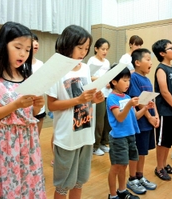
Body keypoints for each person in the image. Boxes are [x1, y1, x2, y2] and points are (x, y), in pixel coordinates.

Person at [0, 22, 47, 198]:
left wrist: (37, 105)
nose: (23, 54)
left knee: (28, 187)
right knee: (8, 188)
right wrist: (15, 105)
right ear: (3, 45)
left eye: (27, 49)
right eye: (18, 47)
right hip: (5, 144)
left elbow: (29, 115)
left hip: (29, 141)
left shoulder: (27, 77)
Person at [46, 24, 104, 199]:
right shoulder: (55, 69)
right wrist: (78, 100)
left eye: (86, 48)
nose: (83, 52)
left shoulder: (85, 68)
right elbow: (52, 105)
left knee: (79, 181)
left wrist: (95, 99)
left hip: (85, 133)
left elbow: (86, 97)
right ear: (67, 44)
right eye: (80, 48)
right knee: (63, 184)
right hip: (66, 136)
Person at [106, 64, 154, 199]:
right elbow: (120, 118)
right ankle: (113, 195)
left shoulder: (127, 97)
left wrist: (145, 109)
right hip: (118, 138)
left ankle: (122, 191)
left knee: (124, 165)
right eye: (124, 80)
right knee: (116, 167)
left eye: (128, 80)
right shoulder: (112, 98)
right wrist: (128, 105)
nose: (128, 83)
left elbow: (135, 117)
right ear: (114, 82)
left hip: (130, 136)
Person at [126, 48, 159, 194]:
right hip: (140, 121)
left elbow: (151, 99)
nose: (151, 62)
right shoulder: (134, 78)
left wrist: (156, 115)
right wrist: (149, 117)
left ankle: (140, 176)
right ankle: (132, 178)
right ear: (137, 62)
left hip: (149, 121)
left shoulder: (147, 79)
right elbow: (138, 101)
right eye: (147, 59)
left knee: (143, 151)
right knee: (136, 151)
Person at [152, 39, 172, 181]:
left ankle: (164, 165)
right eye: (171, 48)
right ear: (162, 53)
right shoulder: (161, 69)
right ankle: (159, 168)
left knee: (170, 141)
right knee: (163, 141)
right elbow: (164, 92)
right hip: (166, 111)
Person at [87, 38, 111, 156]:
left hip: (107, 92)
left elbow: (108, 76)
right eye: (103, 49)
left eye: (107, 49)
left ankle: (103, 142)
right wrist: (102, 79)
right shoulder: (92, 60)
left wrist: (109, 81)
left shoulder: (106, 62)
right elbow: (88, 77)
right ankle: (95, 146)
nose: (105, 51)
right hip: (97, 93)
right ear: (96, 49)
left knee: (107, 120)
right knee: (99, 121)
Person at [32, 33, 46, 135]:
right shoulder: (21, 64)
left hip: (40, 105)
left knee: (37, 138)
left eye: (37, 41)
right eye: (32, 41)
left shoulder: (41, 64)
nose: (36, 43)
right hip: (27, 106)